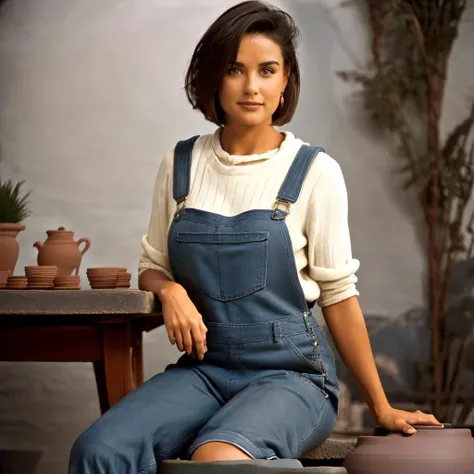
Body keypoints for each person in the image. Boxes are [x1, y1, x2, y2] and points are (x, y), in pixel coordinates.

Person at [68, 1, 442, 473]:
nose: (251, 87)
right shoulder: (180, 165)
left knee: (218, 459)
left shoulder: (315, 172)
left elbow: (338, 296)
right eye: (234, 70)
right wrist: (170, 290)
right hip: (204, 371)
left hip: (293, 377)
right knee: (98, 449)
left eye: (266, 70)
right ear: (214, 80)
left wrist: (381, 406)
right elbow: (152, 267)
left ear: (285, 80)